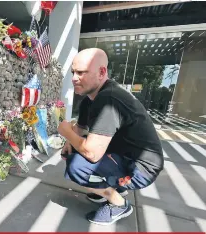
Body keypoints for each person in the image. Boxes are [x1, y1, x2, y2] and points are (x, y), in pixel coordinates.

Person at [57, 48, 164, 225]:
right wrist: (70, 141)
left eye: (81, 72)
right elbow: (80, 128)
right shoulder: (88, 100)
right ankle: (108, 185)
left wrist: (65, 131)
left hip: (141, 169)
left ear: (101, 72)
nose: (74, 78)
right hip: (124, 154)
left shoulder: (109, 99)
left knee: (77, 166)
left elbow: (92, 153)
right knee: (73, 153)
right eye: (73, 72)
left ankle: (119, 203)